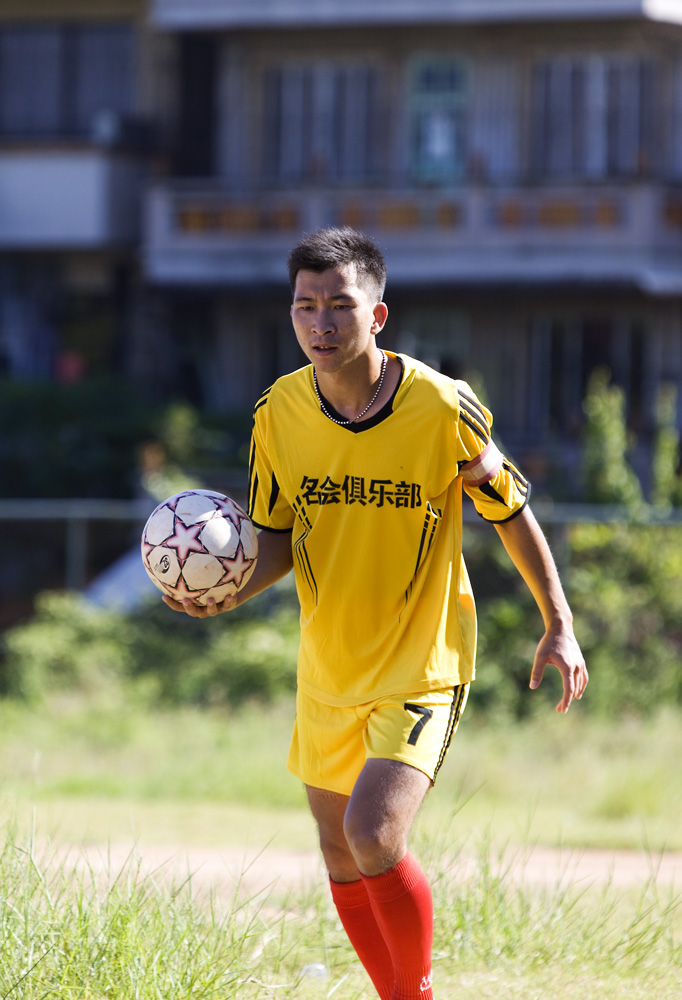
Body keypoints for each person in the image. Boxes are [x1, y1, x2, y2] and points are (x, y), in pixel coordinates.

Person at [163, 227, 588, 1000]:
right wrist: (220, 591)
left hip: (423, 661)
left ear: (377, 314)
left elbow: (510, 509)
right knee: (339, 851)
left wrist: (557, 621)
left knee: (374, 834)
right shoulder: (277, 413)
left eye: (339, 305)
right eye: (305, 306)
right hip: (329, 665)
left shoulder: (443, 406)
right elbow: (275, 539)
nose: (320, 323)